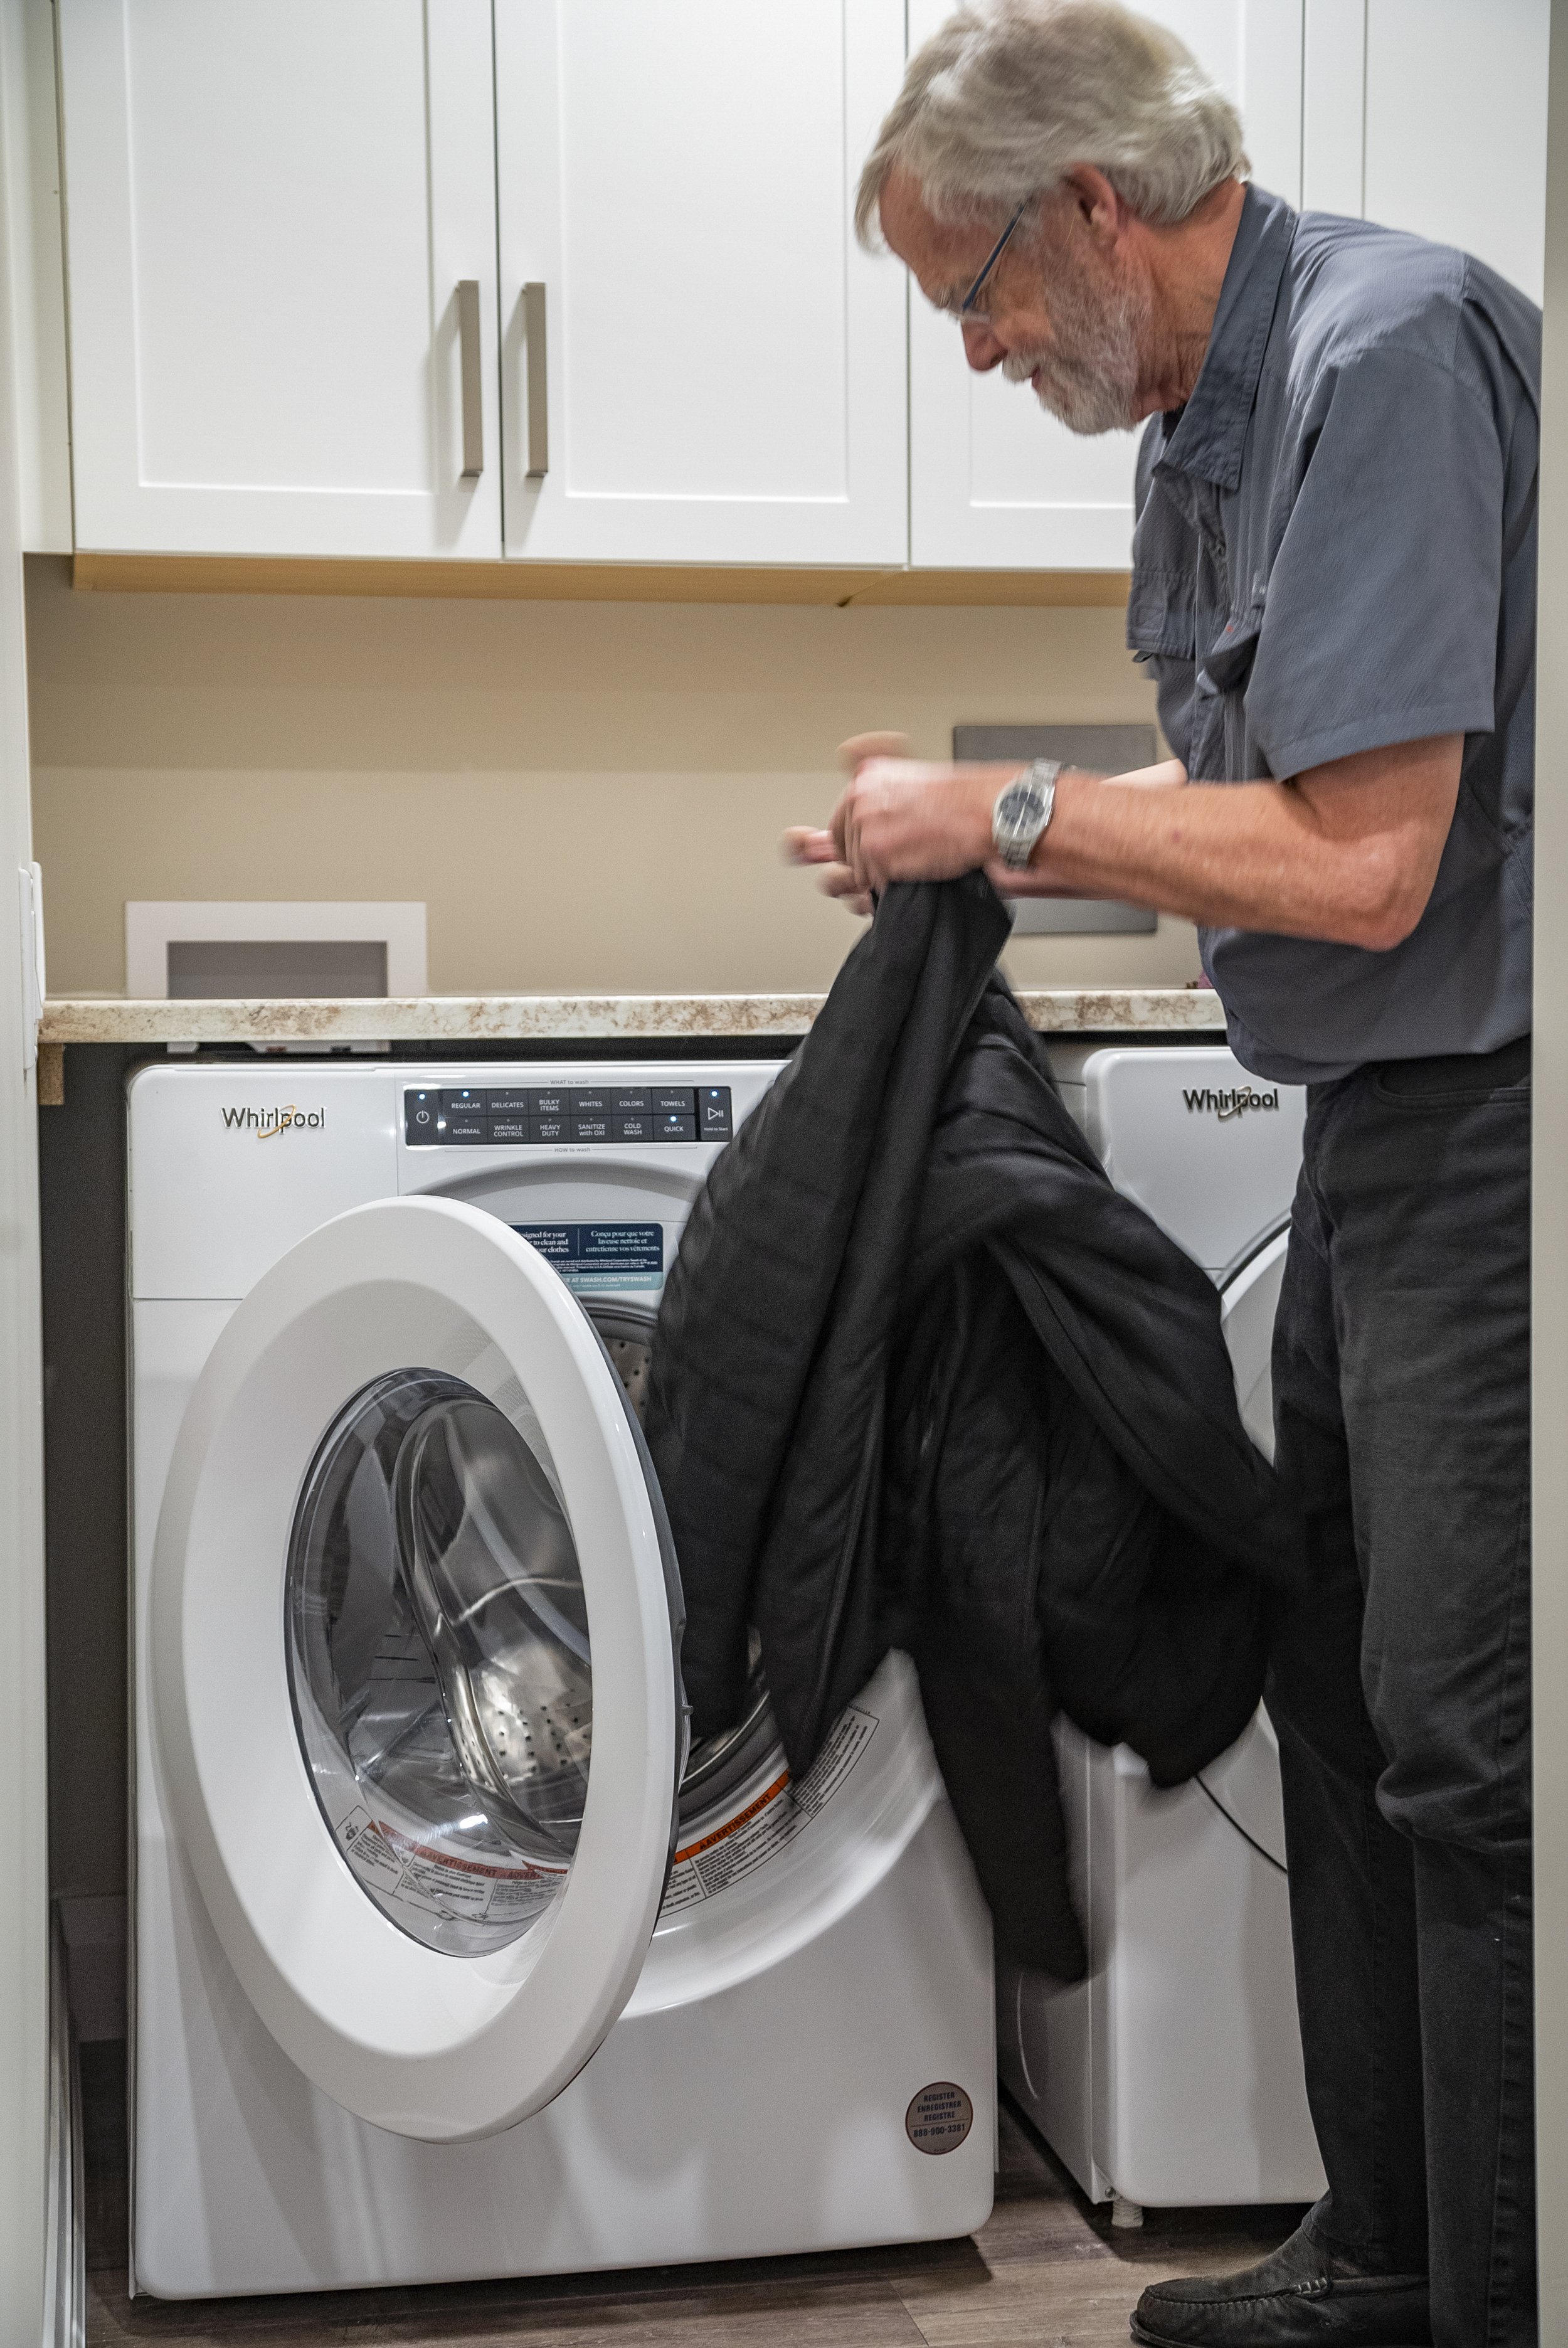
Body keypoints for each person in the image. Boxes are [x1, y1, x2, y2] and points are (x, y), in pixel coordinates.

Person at [788, 6, 1538, 2345]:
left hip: (1491, 1138)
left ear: (1089, 211)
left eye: (977, 299)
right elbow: (1238, 806)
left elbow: (1369, 861)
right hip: (1365, 1125)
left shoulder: (1388, 353)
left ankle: (1496, 2301)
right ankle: (1383, 2259)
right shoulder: (1198, 431)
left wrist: (1002, 812)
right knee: (1330, 1678)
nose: (984, 350)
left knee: (1468, 1747)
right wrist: (973, 873)